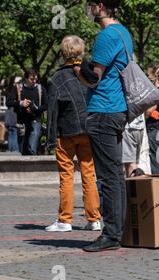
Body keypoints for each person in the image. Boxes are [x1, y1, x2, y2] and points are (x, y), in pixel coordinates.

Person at [74, 0, 131, 252]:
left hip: (103, 110)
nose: (88, 9)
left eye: (90, 4)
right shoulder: (123, 32)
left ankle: (111, 235)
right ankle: (118, 230)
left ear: (99, 5)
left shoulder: (106, 35)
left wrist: (78, 71)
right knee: (116, 175)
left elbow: (93, 79)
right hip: (117, 109)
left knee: (107, 177)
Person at [45, 35, 102, 233]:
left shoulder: (57, 78)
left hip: (65, 131)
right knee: (89, 173)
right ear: (81, 52)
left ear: (63, 53)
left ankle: (65, 220)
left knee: (66, 176)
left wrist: (50, 138)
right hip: (88, 129)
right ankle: (94, 219)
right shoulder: (91, 74)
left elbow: (52, 111)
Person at [6, 69, 47, 155]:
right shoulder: (17, 88)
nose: (34, 81)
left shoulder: (40, 89)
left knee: (32, 147)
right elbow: (8, 102)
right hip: (22, 122)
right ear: (25, 78)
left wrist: (36, 108)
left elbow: (46, 105)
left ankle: (33, 165)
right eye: (32, 79)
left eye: (36, 79)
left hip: (36, 120)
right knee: (22, 149)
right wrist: (20, 103)